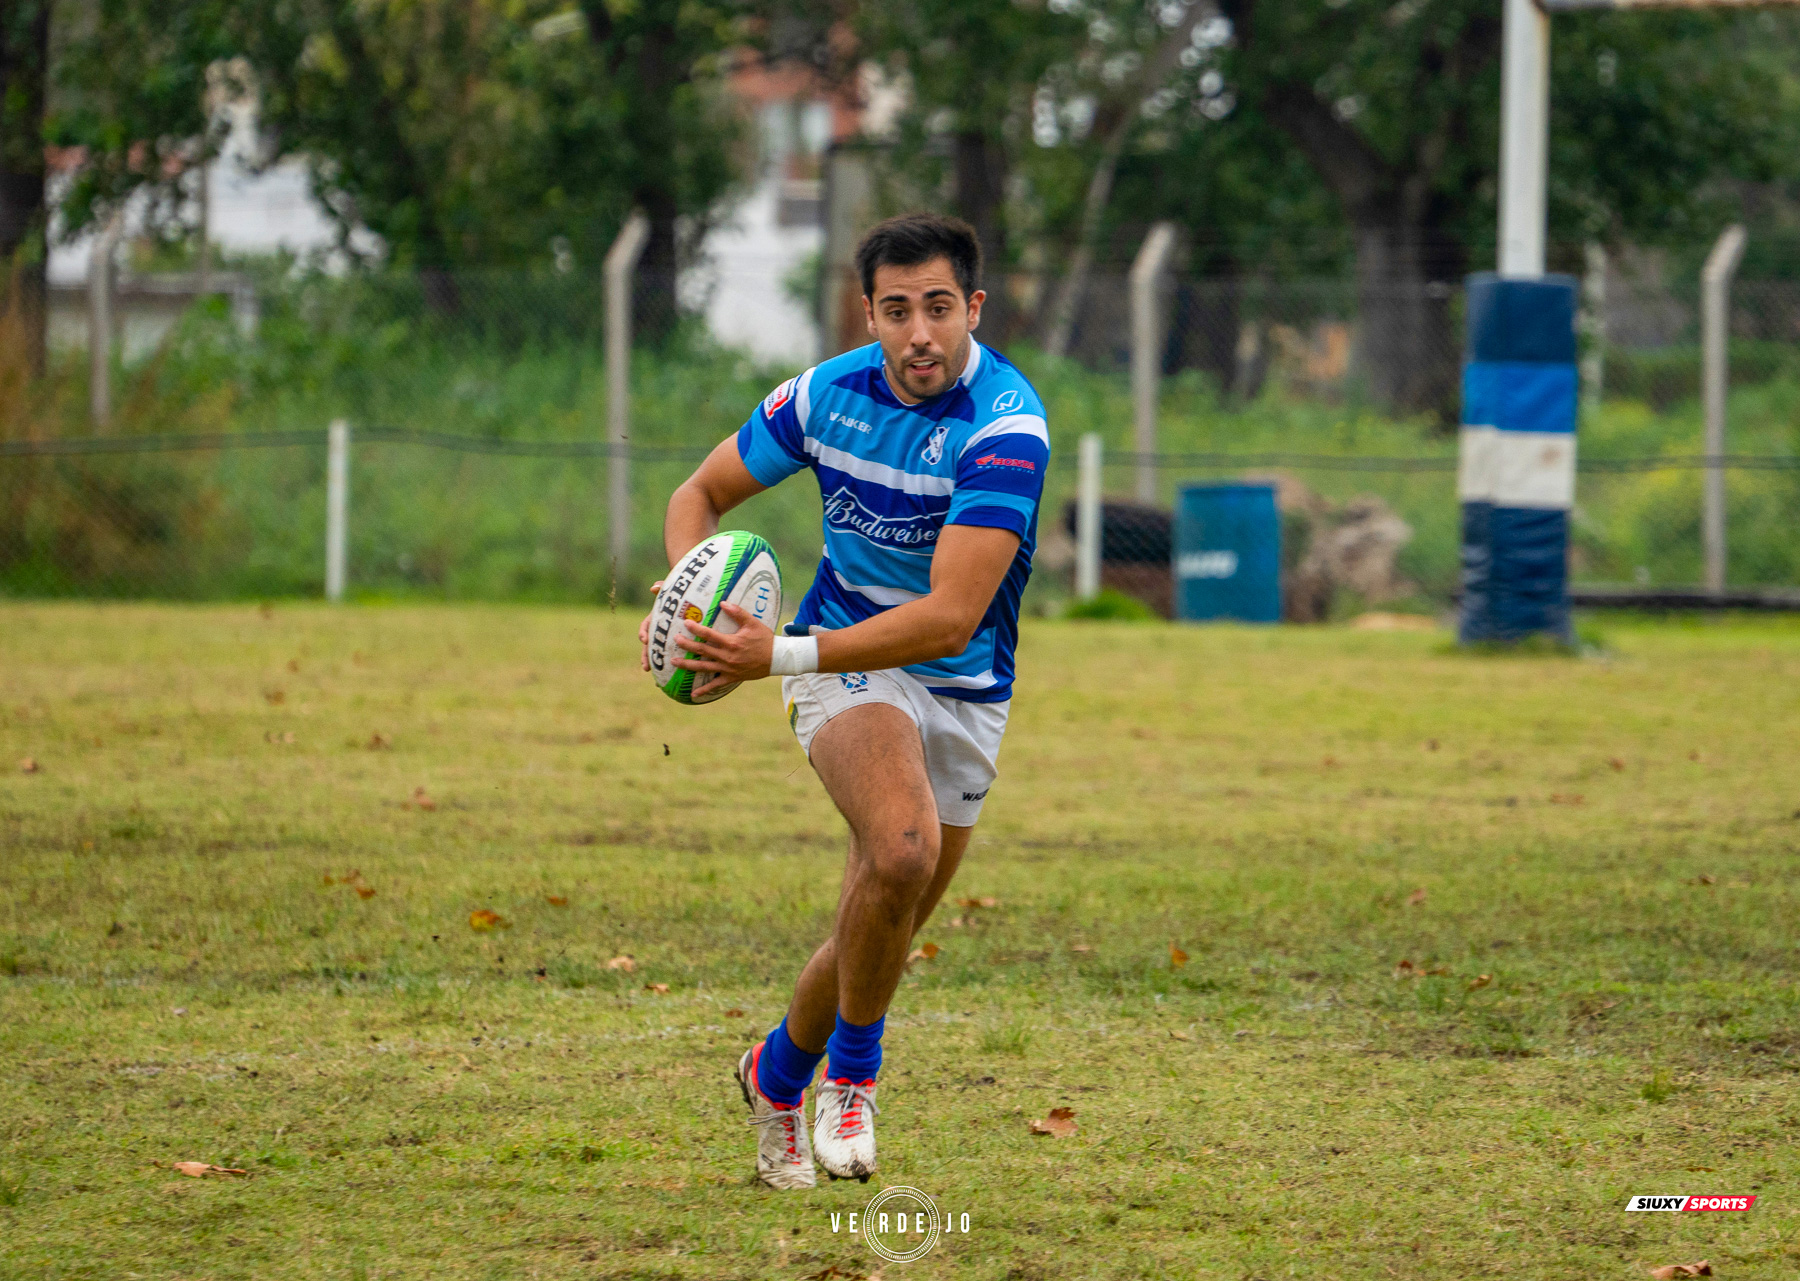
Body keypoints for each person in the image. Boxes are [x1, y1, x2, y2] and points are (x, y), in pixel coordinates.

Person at [638, 213, 1049, 1190]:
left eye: (939, 308)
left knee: (884, 913)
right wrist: (696, 589)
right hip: (840, 664)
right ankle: (850, 1083)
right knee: (899, 848)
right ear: (869, 312)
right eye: (897, 309)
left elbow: (951, 619)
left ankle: (775, 1074)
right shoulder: (826, 395)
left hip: (960, 684)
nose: (919, 333)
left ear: (973, 310)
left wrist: (769, 651)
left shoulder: (1005, 429)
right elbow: (698, 494)